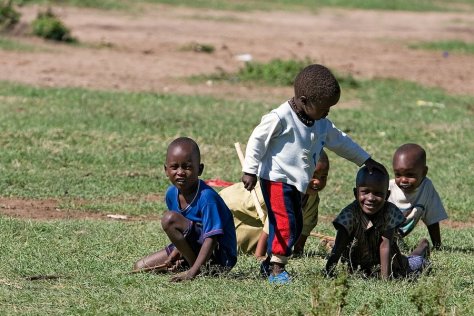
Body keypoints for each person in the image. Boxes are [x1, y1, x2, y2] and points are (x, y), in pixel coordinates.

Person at [241, 64, 385, 284]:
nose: (327, 111)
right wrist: (250, 170)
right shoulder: (280, 117)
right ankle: (277, 269)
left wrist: (365, 159)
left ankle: (269, 263)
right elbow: (257, 140)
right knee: (285, 223)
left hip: (298, 184)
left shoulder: (320, 123)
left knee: (296, 224)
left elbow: (340, 141)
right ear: (304, 100)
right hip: (276, 180)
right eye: (324, 107)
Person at [133, 137, 237, 282]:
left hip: (220, 258)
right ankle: (191, 263)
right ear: (166, 170)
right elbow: (186, 233)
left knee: (169, 219)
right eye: (174, 167)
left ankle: (197, 268)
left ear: (199, 169)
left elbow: (212, 239)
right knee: (139, 267)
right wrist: (177, 252)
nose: (180, 172)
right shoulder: (171, 194)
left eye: (187, 167)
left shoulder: (207, 198)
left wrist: (192, 272)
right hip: (195, 248)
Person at [325, 166, 430, 279]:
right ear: (356, 193)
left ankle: (422, 248)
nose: (371, 198)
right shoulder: (349, 215)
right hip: (357, 266)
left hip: (387, 263)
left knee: (417, 264)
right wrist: (328, 272)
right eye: (365, 192)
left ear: (387, 195)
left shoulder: (389, 212)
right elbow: (339, 246)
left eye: (378, 193)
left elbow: (385, 246)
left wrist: (386, 280)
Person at [219, 150, 330, 258]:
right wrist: (260, 255)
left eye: (323, 177)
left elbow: (306, 225)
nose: (318, 182)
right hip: (232, 210)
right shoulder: (281, 191)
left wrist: (298, 251)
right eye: (313, 176)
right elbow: (271, 223)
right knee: (229, 243)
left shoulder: (312, 197)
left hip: (257, 220)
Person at [388, 143, 448, 249]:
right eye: (398, 174)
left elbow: (432, 218)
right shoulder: (386, 189)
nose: (403, 180)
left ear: (424, 172)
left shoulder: (426, 187)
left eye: (410, 175)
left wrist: (437, 246)